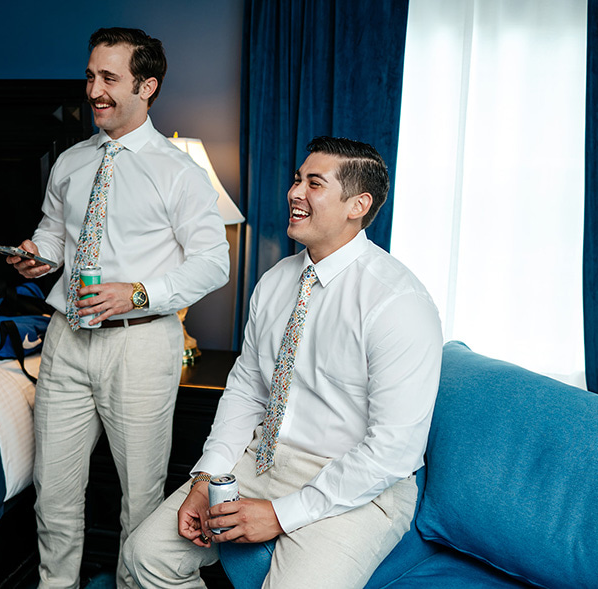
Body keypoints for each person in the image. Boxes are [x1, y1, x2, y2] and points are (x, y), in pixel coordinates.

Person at [121, 136, 444, 589]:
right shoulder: (275, 281)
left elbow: (393, 451)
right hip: (261, 459)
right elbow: (248, 390)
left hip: (355, 483)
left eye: (314, 183)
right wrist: (207, 475)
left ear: (358, 204)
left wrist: (280, 514)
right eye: (297, 179)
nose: (294, 193)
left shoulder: (398, 303)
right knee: (145, 554)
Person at [6, 27, 231, 588]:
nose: (94, 90)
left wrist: (137, 293)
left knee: (142, 498)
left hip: (141, 344)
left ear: (147, 86)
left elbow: (212, 264)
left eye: (110, 78)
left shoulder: (179, 172)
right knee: (53, 495)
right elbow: (54, 235)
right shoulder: (71, 162)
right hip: (65, 340)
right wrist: (38, 257)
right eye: (90, 76)